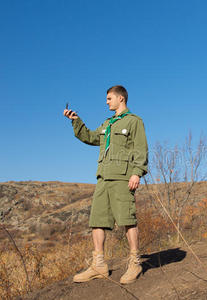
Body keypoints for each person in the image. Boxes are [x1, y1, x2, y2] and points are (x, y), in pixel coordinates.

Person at [63, 85, 148, 284]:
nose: (107, 102)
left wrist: (137, 172)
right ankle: (99, 265)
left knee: (127, 218)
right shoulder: (108, 124)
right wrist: (76, 121)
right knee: (97, 220)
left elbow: (141, 147)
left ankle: (135, 262)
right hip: (103, 177)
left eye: (109, 98)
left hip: (122, 177)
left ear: (121, 98)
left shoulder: (134, 121)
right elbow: (91, 137)